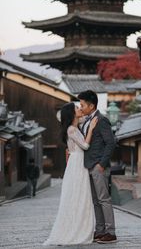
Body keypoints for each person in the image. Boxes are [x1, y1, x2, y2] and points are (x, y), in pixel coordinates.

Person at [43, 102, 98, 246]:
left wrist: (88, 117)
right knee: (79, 196)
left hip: (76, 162)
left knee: (80, 196)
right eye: (77, 108)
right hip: (78, 163)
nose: (80, 109)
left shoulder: (74, 126)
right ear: (72, 114)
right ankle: (77, 231)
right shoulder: (71, 130)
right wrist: (91, 129)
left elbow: (85, 118)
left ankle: (80, 228)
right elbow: (85, 145)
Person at [77, 90, 117, 244]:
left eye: (82, 105)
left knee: (103, 199)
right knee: (95, 200)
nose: (81, 108)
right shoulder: (87, 120)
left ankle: (110, 232)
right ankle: (100, 231)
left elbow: (111, 143)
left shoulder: (102, 120)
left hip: (98, 166)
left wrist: (102, 163)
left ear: (91, 105)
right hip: (89, 165)